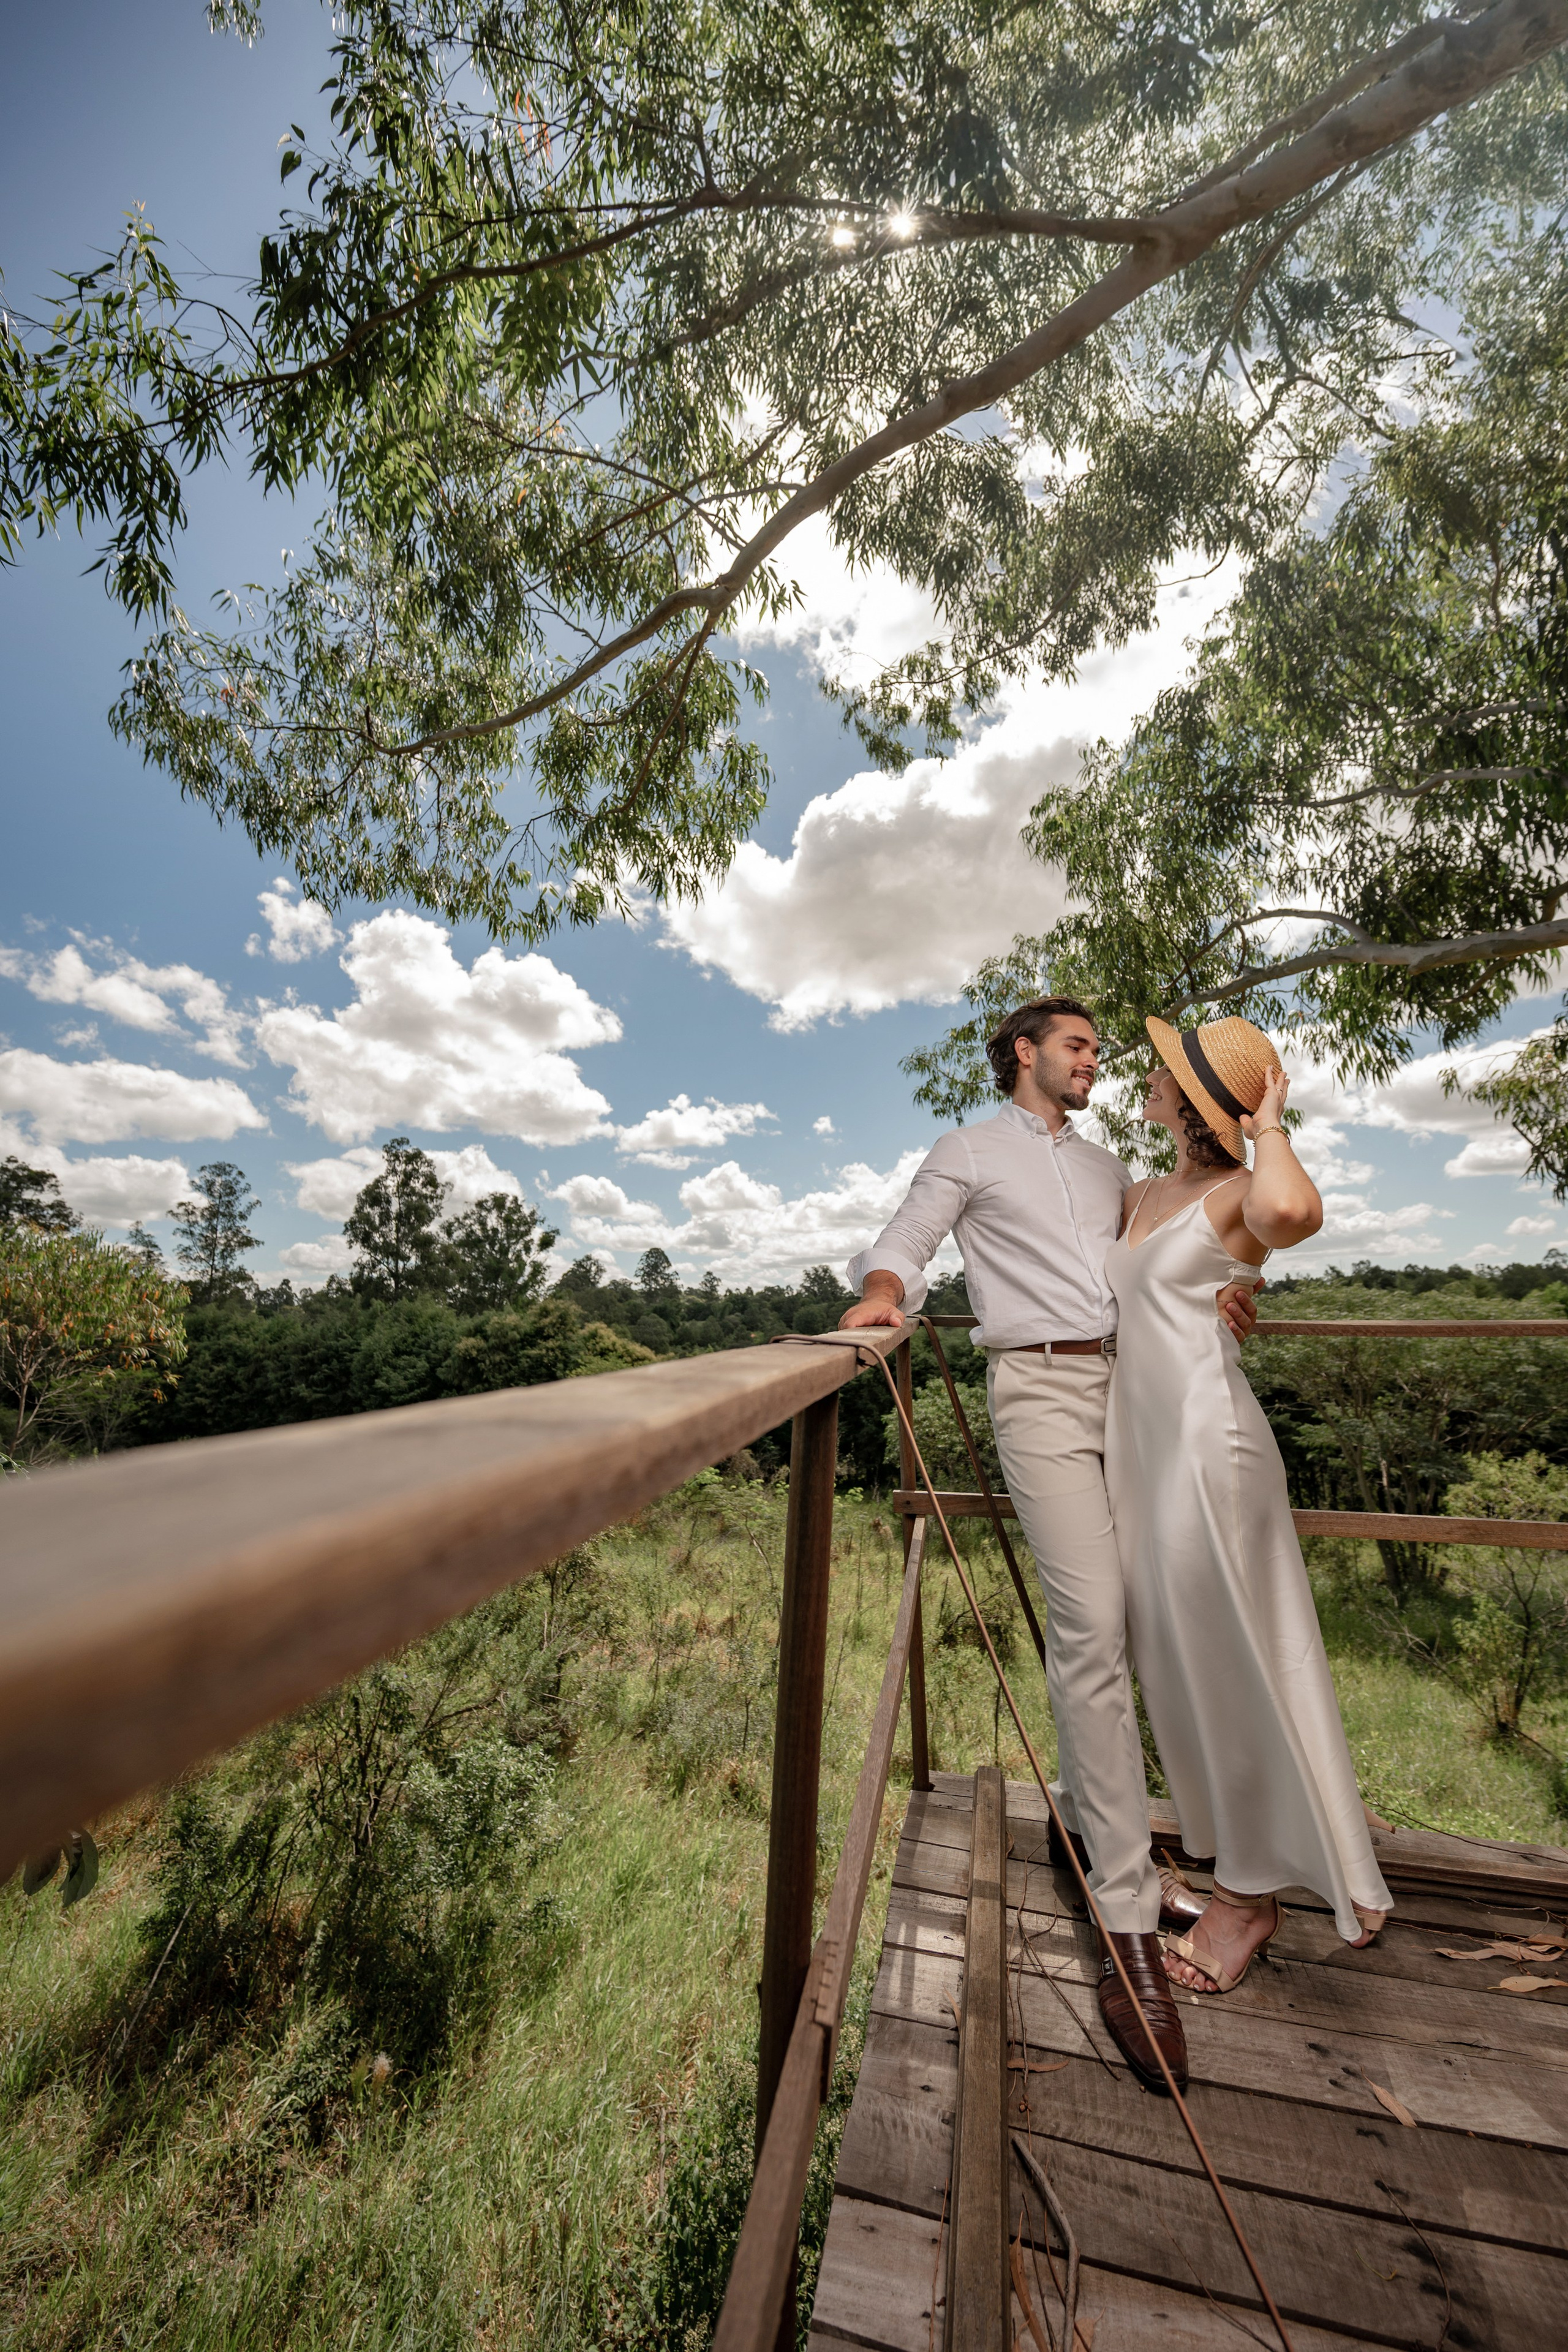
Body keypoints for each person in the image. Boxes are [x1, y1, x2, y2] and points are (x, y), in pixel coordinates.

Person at [839, 997, 1257, 2094]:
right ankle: (1124, 1923)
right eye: (1077, 1046)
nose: (1094, 1062)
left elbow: (1165, 1252)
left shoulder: (1112, 1166)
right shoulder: (966, 1150)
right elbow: (905, 1244)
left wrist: (1228, 1297)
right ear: (1024, 1053)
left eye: (1097, 1051)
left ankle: (1100, 1836)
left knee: (1156, 1622)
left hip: (1138, 1392)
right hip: (1035, 1391)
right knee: (1093, 1627)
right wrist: (884, 1297)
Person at [1107, 1015, 1393, 1997]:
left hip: (1207, 1447)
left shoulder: (1239, 1194)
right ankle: (1240, 1852)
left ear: (1194, 1101)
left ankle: (1250, 1898)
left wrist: (1271, 1120)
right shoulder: (1144, 1193)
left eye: (1161, 1071)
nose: (1144, 1076)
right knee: (1179, 1664)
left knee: (1230, 1659)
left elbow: (1295, 1216)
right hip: (1140, 1453)